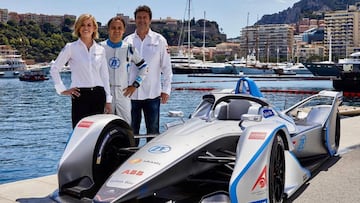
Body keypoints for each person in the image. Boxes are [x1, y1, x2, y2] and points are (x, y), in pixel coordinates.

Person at [50, 14, 112, 129]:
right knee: (80, 132)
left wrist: (108, 100)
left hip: (99, 95)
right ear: (78, 28)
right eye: (82, 25)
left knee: (97, 132)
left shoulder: (100, 50)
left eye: (89, 25)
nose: (86, 28)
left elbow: (105, 76)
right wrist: (62, 90)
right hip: (80, 95)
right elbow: (54, 69)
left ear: (94, 28)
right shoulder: (70, 48)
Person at [124, 5, 173, 138]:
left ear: (150, 20)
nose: (142, 20)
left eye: (145, 17)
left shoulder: (160, 40)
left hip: (153, 94)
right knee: (131, 132)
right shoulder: (127, 41)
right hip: (131, 95)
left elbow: (167, 68)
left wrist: (166, 90)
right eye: (139, 18)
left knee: (153, 132)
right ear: (135, 20)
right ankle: (130, 158)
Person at [100, 16, 148, 125]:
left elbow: (144, 67)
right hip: (105, 95)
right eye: (113, 28)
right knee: (104, 127)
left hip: (123, 94)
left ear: (123, 30)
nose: (116, 31)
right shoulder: (100, 48)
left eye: (119, 28)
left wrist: (135, 85)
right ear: (108, 29)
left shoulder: (129, 48)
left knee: (125, 127)